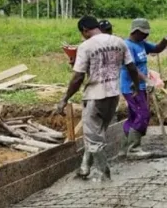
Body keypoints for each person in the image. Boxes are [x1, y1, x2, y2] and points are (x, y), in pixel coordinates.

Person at [56, 16, 146, 181]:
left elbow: (78, 78)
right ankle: (84, 168)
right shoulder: (119, 42)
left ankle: (105, 176)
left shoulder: (86, 46)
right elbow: (132, 68)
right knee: (96, 134)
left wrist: (64, 98)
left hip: (94, 97)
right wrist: (135, 85)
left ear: (85, 30)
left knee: (93, 138)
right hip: (113, 96)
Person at [119, 18, 167, 158]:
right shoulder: (127, 46)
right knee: (143, 115)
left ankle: (125, 148)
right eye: (144, 33)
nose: (146, 35)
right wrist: (147, 80)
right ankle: (134, 149)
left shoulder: (141, 43)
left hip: (139, 86)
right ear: (135, 31)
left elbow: (156, 49)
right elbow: (132, 68)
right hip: (131, 87)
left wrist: (165, 40)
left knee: (134, 116)